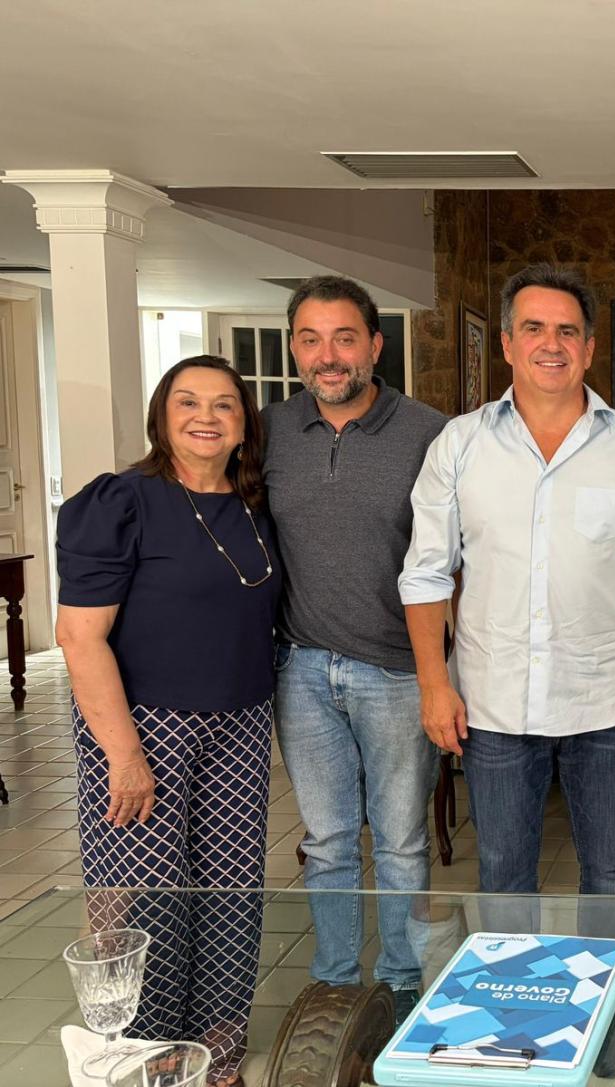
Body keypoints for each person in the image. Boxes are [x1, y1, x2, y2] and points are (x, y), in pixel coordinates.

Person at [400, 264, 615, 1073]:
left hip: (606, 702)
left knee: (611, 869)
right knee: (503, 871)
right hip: (492, 703)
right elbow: (425, 573)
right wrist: (434, 682)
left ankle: (602, 1015)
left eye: (567, 330)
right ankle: (513, 1021)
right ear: (506, 342)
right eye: (534, 328)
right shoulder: (460, 443)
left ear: (589, 347)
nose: (550, 344)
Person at [56, 356, 280, 1086]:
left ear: (244, 423)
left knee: (229, 897)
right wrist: (123, 755)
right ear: (162, 416)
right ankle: (148, 1064)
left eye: (224, 404)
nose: (205, 417)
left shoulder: (253, 505)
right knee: (144, 900)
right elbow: (79, 637)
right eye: (188, 402)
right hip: (143, 726)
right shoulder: (121, 500)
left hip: (240, 723)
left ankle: (218, 1061)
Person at [262, 275, 447, 1021]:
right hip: (301, 669)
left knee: (401, 841)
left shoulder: (430, 433)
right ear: (295, 348)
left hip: (398, 670)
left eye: (344, 338)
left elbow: (458, 555)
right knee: (328, 840)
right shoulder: (269, 430)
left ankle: (401, 980)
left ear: (375, 344)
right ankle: (336, 982)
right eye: (311, 339)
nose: (328, 355)